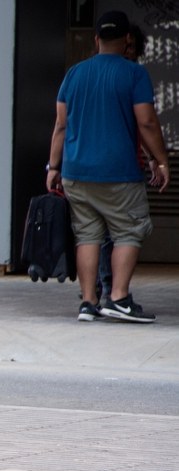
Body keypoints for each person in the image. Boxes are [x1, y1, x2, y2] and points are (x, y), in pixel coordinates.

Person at [47, 10, 169, 323]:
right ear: (127, 38)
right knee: (129, 230)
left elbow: (61, 125)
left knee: (87, 235)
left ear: (96, 39)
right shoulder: (133, 74)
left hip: (76, 173)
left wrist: (53, 167)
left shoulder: (74, 74)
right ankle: (118, 298)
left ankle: (88, 302)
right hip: (118, 173)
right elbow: (146, 121)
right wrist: (161, 159)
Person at [96, 22, 154, 305]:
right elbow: (145, 123)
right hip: (117, 167)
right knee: (114, 232)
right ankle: (109, 291)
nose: (127, 51)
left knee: (99, 233)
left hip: (100, 164)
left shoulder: (88, 74)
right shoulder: (130, 75)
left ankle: (97, 292)